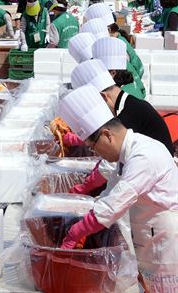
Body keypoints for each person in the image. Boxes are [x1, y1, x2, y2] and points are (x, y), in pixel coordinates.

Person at [59, 84, 178, 291]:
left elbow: (114, 203)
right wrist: (86, 214)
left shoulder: (143, 155)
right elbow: (110, 192)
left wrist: (75, 232)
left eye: (94, 147)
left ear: (107, 135)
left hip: (165, 241)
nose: (97, 153)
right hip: (150, 234)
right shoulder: (129, 153)